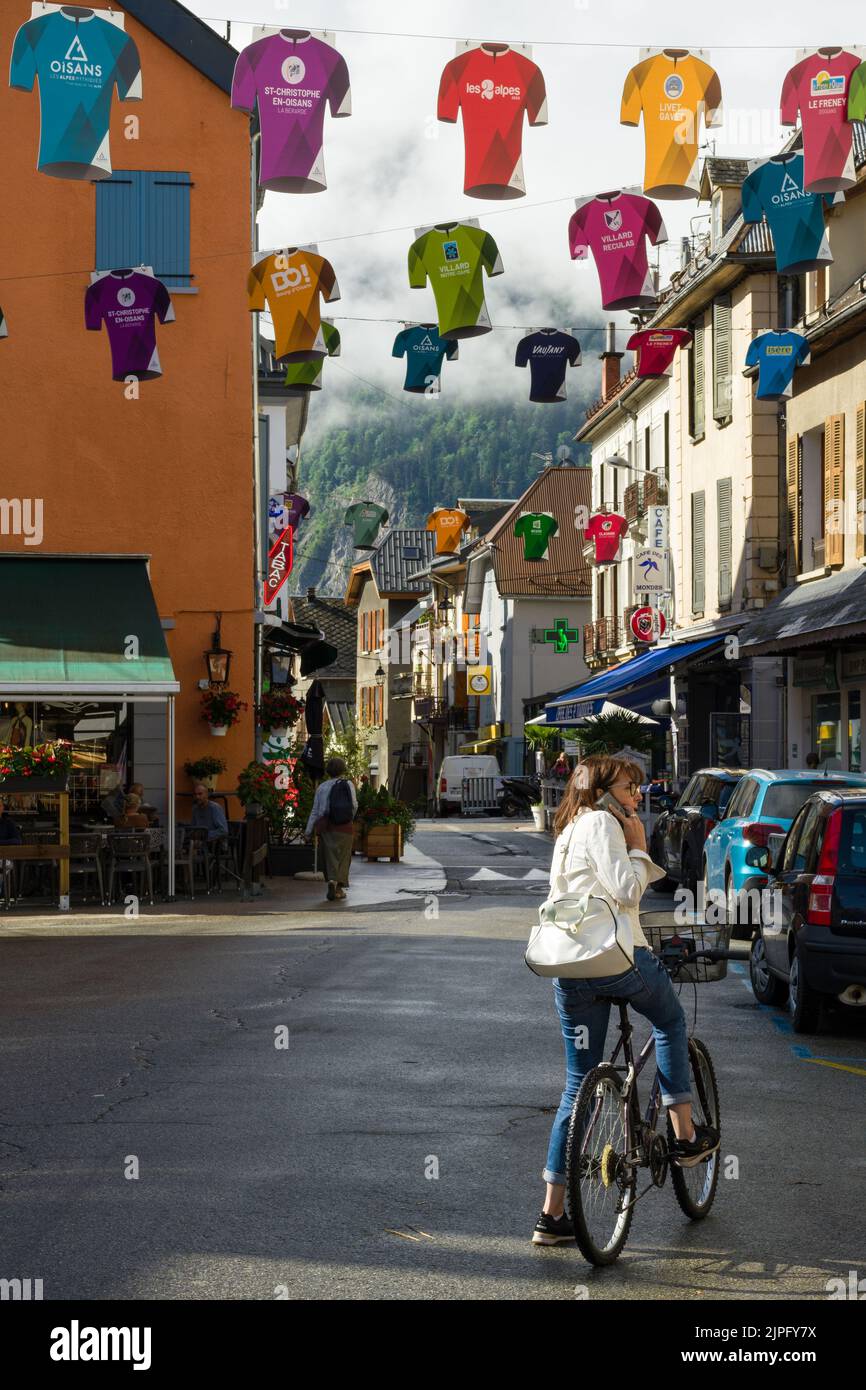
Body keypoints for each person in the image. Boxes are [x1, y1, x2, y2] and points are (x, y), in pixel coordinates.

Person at [532, 753, 720, 1247]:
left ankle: (552, 1216)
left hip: (571, 968)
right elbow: (627, 891)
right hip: (619, 960)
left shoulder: (570, 826)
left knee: (577, 1086)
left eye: (638, 788)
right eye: (629, 787)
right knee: (671, 1022)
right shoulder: (602, 825)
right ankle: (684, 1136)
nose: (638, 795)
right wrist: (638, 847)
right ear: (601, 792)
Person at [305, 756, 358, 902]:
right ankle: (338, 888)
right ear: (343, 769)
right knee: (343, 857)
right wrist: (349, 818)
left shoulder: (321, 787)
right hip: (345, 826)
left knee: (330, 857)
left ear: (328, 771)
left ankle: (331, 881)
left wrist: (308, 831)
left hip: (326, 826)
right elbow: (354, 805)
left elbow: (315, 811)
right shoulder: (348, 784)